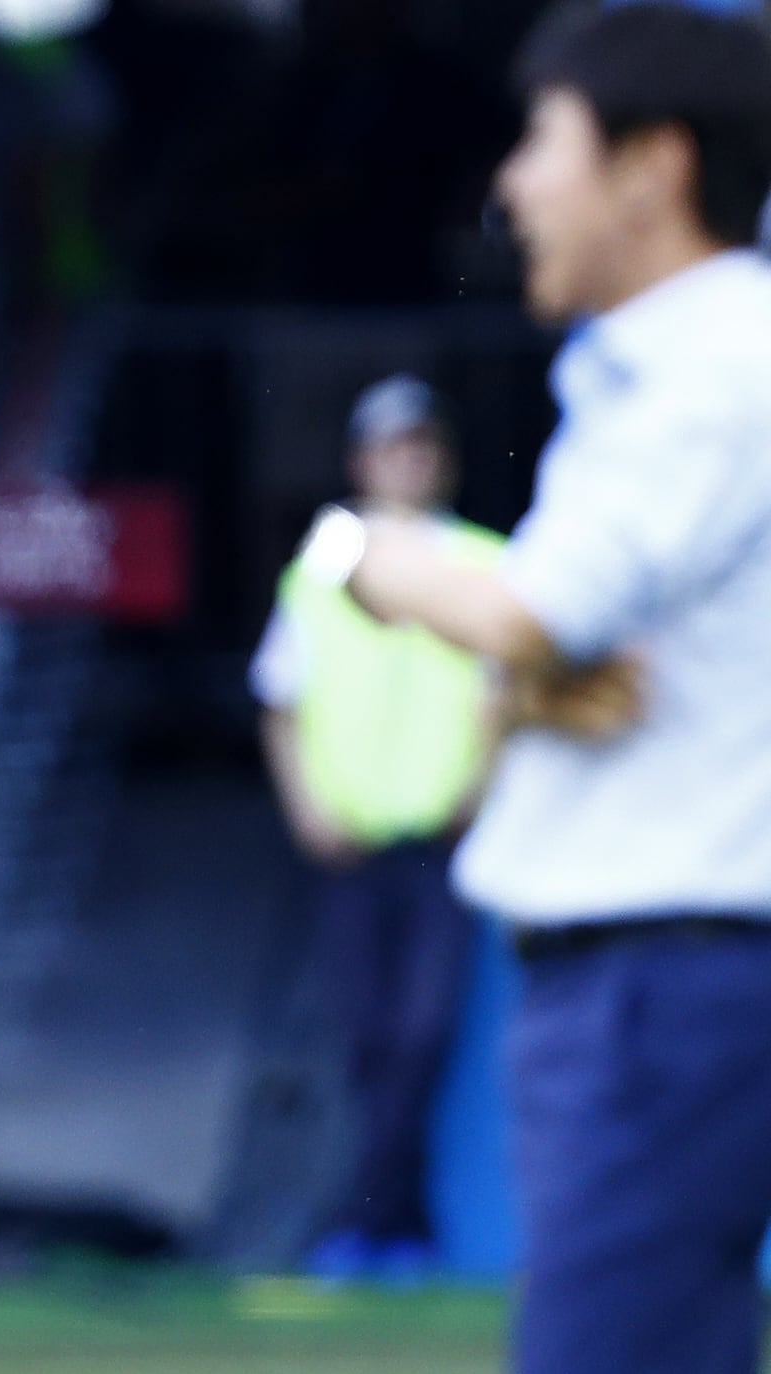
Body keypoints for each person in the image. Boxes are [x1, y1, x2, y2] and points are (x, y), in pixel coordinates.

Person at [303, 5, 771, 1374]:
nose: (510, 183)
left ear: (648, 164)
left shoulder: (699, 362)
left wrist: (361, 550)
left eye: (538, 140)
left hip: (649, 996)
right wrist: (514, 642)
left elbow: (524, 611)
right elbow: (557, 644)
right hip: (704, 993)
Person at [249, 376, 496, 1281]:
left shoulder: (479, 557)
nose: (408, 461)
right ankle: (397, 1226)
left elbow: (505, 694)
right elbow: (280, 698)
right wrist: (306, 807)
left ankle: (380, 1222)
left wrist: (481, 788)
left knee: (423, 1032)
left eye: (422, 444)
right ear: (362, 460)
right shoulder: (320, 565)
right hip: (349, 844)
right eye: (392, 446)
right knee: (366, 1037)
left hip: (440, 841)